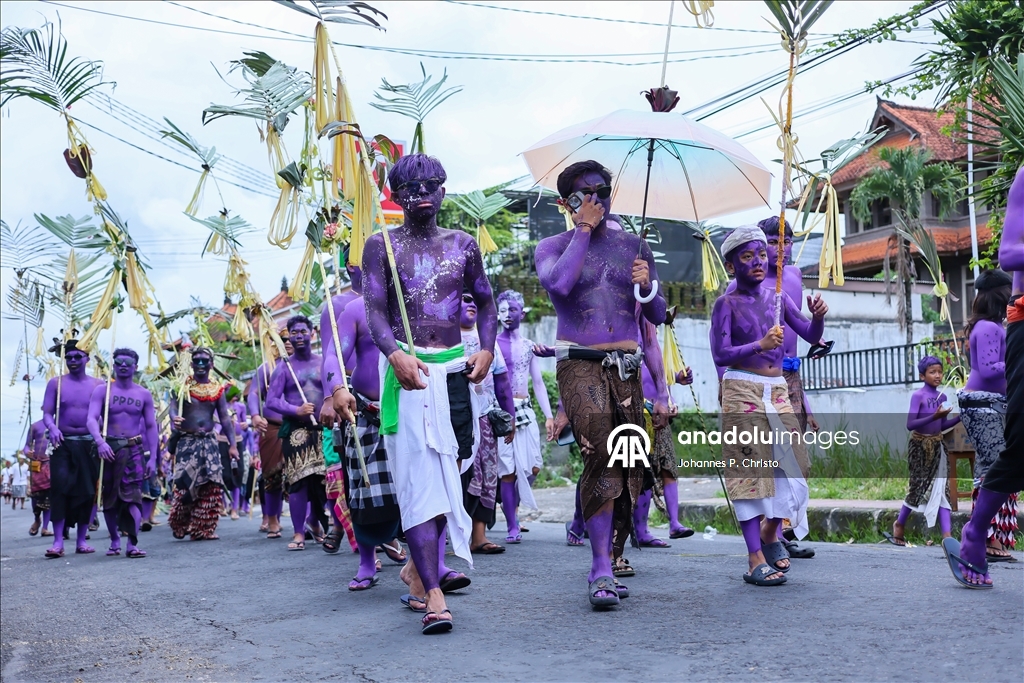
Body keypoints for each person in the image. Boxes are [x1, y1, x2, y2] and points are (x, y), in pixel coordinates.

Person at [341, 153, 496, 634]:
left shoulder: (464, 245)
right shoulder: (379, 245)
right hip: (409, 375)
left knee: (456, 470)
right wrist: (394, 355)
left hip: (454, 374)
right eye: (408, 186)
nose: (420, 192)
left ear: (444, 191)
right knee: (419, 485)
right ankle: (433, 595)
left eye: (430, 184)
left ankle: (416, 569)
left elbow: (486, 300)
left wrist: (486, 349)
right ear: (395, 195)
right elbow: (375, 310)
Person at [535, 159, 666, 608]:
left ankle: (613, 554)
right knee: (603, 452)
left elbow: (656, 316)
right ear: (565, 202)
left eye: (601, 190)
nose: (594, 199)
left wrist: (647, 287)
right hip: (579, 362)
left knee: (630, 462)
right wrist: (584, 231)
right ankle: (600, 568)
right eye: (583, 193)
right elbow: (561, 285)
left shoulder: (634, 244)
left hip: (628, 366)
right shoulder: (552, 245)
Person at [710, 225, 827, 587]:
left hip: (777, 387)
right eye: (747, 257)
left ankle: (771, 531)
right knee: (749, 472)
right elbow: (721, 354)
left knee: (795, 465)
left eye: (762, 254)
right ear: (731, 266)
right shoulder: (725, 304)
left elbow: (809, 334)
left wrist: (819, 315)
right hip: (741, 387)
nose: (758, 262)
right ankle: (753, 557)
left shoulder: (778, 298)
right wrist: (759, 345)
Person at [944, 166, 1024, 588]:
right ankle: (978, 534)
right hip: (985, 398)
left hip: (988, 399)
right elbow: (1009, 253)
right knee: (1013, 452)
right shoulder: (988, 329)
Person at [322, 262, 405, 585]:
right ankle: (367, 561)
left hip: (409, 405)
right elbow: (333, 356)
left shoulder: (409, 306)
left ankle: (428, 565)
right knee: (362, 489)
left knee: (419, 486)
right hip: (365, 411)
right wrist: (336, 390)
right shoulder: (354, 311)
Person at [957, 269, 1017, 561]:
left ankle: (987, 536)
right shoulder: (990, 328)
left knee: (987, 470)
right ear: (1001, 295)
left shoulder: (986, 326)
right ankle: (988, 537)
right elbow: (988, 368)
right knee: (996, 470)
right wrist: (1016, 360)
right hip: (985, 405)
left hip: (987, 405)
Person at [86, 348, 159, 558]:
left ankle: (132, 543)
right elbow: (91, 419)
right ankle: (115, 541)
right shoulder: (103, 391)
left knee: (134, 497)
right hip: (109, 449)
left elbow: (152, 426)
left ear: (136, 366)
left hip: (134, 449)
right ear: (114, 365)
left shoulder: (143, 394)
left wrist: (153, 457)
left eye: (128, 362)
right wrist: (100, 442)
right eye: (119, 362)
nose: (123, 365)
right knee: (110, 497)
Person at [265, 315, 328, 551]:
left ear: (312, 333)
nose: (298, 336)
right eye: (294, 333)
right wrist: (296, 409)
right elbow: (271, 401)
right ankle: (299, 532)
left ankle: (314, 521)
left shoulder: (323, 362)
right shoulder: (284, 368)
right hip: (296, 432)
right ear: (288, 336)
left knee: (325, 481)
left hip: (324, 429)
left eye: (303, 331)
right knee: (299, 483)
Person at [494, 289, 552, 544]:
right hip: (501, 413)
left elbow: (538, 383)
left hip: (526, 410)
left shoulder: (530, 347)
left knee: (533, 466)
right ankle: (511, 524)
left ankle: (512, 508)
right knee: (507, 470)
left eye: (513, 310)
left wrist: (549, 416)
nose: (508, 315)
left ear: (522, 313)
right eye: (503, 310)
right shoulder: (492, 345)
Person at [884, 356, 961, 546]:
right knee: (917, 489)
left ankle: (947, 536)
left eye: (940, 372)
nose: (937, 376)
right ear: (922, 375)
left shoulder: (942, 397)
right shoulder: (918, 396)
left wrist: (960, 418)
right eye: (932, 372)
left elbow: (943, 425)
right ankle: (899, 524)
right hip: (919, 446)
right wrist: (934, 415)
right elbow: (911, 424)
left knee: (942, 490)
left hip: (938, 446)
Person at [461, 290, 515, 555]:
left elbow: (503, 382)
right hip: (455, 420)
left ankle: (478, 536)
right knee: (465, 476)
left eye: (473, 299)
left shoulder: (486, 342)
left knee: (488, 476)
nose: (470, 303)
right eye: (463, 298)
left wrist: (510, 419)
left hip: (485, 419)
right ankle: (452, 535)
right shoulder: (444, 340)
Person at [42, 338, 105, 557]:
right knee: (59, 490)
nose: (73, 360)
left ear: (87, 358)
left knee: (87, 491)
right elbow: (47, 413)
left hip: (89, 444)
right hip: (62, 443)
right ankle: (58, 542)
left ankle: (81, 541)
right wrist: (52, 428)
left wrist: (102, 436)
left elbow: (105, 414)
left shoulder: (99, 385)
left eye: (78, 356)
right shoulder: (55, 383)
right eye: (68, 357)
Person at [168, 347, 238, 541]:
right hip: (187, 442)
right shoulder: (181, 386)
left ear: (211, 364)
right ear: (191, 364)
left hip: (209, 441)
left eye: (204, 361)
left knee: (212, 484)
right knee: (184, 483)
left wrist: (232, 446)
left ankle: (203, 529)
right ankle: (180, 524)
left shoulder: (217, 389)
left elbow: (224, 418)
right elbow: (172, 409)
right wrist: (175, 419)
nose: (200, 364)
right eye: (196, 360)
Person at [25, 421, 52, 536]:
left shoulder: (59, 424)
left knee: (49, 497)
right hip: (37, 465)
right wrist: (28, 452)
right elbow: (26, 446)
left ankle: (45, 528)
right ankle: (37, 519)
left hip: (52, 463)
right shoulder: (35, 426)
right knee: (35, 496)